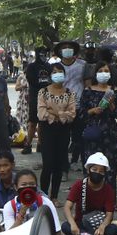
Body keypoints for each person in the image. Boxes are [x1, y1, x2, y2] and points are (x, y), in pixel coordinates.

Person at [36, 62, 76, 198]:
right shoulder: (43, 92)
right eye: (54, 72)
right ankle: (43, 195)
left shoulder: (69, 93)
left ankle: (54, 196)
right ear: (50, 75)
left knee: (58, 165)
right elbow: (41, 114)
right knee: (47, 165)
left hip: (63, 131)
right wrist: (61, 113)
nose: (57, 74)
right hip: (47, 130)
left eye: (60, 72)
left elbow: (72, 114)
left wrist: (53, 112)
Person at [62, 152, 117, 235]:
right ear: (88, 170)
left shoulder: (108, 189)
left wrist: (102, 227)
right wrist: (73, 224)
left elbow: (109, 214)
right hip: (81, 224)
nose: (97, 173)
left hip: (98, 226)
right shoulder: (79, 185)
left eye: (101, 171)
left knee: (114, 229)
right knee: (65, 226)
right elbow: (67, 207)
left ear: (105, 173)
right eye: (94, 169)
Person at [76, 63, 117, 179]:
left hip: (110, 134)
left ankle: (108, 194)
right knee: (91, 165)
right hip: (93, 132)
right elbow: (81, 113)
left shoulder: (115, 91)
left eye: (106, 71)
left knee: (109, 167)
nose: (103, 73)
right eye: (100, 70)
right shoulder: (88, 91)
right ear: (95, 74)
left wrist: (111, 104)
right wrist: (93, 111)